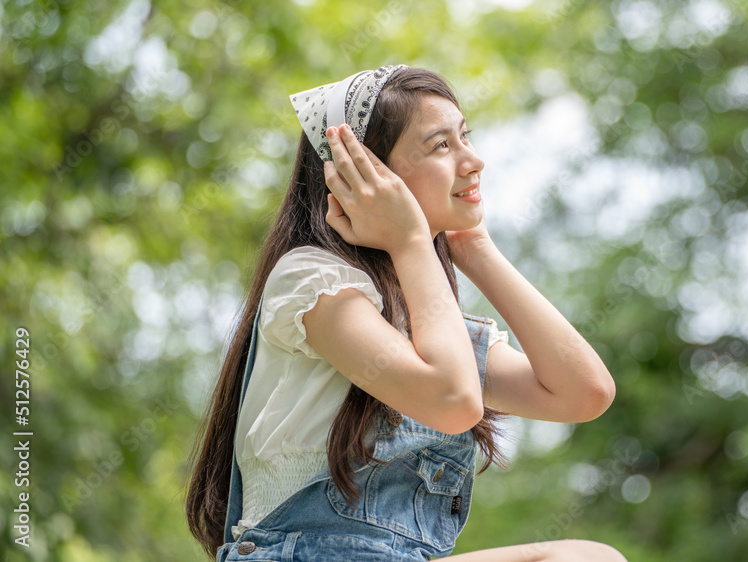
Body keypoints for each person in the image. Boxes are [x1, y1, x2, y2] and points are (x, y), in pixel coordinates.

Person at [186, 64, 625, 561]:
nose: (473, 160)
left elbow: (584, 393)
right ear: (365, 175)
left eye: (466, 137)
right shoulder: (310, 279)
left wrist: (475, 249)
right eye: (442, 145)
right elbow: (453, 399)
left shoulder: (435, 334)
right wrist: (413, 238)